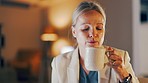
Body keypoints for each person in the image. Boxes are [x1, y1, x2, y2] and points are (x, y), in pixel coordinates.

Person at [51, 1, 139, 83]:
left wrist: (123, 74)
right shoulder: (59, 63)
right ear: (74, 32)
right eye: (85, 29)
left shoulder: (121, 58)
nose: (93, 34)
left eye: (99, 28)